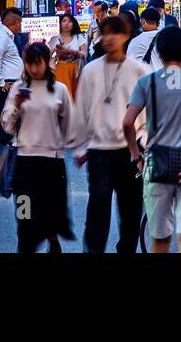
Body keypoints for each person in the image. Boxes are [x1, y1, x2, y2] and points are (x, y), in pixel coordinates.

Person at [123, 28, 181, 253]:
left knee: (161, 238)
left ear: (159, 52)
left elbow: (128, 122)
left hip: (157, 162)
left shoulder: (147, 83)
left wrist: (136, 155)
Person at [69, 15, 148, 253]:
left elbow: (150, 115)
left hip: (131, 152)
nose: (109, 38)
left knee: (131, 212)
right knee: (97, 210)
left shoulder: (140, 70)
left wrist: (143, 143)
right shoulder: (91, 70)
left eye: (115, 33)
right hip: (99, 151)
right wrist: (81, 147)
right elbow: (81, 110)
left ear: (126, 36)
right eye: (105, 33)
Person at [2, 43, 75, 253]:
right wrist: (17, 105)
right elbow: (7, 126)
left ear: (46, 62)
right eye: (29, 64)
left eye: (37, 63)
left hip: (52, 163)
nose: (33, 68)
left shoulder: (59, 89)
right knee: (24, 214)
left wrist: (70, 145)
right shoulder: (18, 88)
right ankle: (26, 246)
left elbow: (70, 125)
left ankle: (52, 240)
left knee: (50, 214)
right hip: (24, 164)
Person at [48, 14, 87, 99]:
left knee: (75, 95)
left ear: (73, 24)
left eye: (69, 21)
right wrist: (55, 50)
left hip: (75, 70)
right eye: (64, 21)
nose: (66, 24)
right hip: (59, 70)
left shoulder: (78, 37)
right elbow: (48, 55)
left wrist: (73, 52)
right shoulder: (55, 39)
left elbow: (84, 54)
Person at [126, 6, 163, 71]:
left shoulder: (136, 41)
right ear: (158, 24)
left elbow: (129, 66)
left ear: (143, 21)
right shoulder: (167, 38)